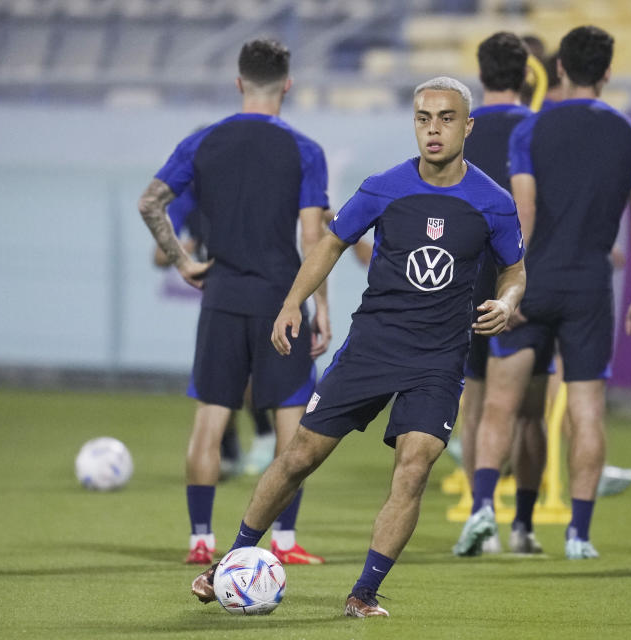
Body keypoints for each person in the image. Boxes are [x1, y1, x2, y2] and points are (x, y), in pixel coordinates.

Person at [190, 76, 526, 618]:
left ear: (468, 125)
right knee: (298, 456)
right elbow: (332, 241)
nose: (433, 129)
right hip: (373, 346)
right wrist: (290, 304)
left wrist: (508, 303)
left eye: (445, 118)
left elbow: (514, 269)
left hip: (438, 359)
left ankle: (363, 594)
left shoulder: (494, 201)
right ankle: (231, 559)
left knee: (415, 465)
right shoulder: (384, 187)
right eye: (422, 118)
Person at [454, 25, 631, 560]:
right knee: (583, 410)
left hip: (534, 283)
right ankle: (577, 534)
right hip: (590, 287)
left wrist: (509, 288)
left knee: (500, 405)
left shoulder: (532, 132)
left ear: (559, 69)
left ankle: (481, 514)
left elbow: (524, 215)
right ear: (609, 71)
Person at [138, 38, 330, 566]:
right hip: (282, 301)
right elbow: (314, 241)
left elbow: (150, 201)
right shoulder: (305, 150)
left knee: (211, 420)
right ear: (287, 84)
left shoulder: (204, 143)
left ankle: (201, 540)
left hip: (221, 296)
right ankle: (284, 544)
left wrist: (179, 260)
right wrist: (324, 312)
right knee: (293, 429)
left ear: (239, 82)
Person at [457, 32, 541, 555]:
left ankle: (478, 513)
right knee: (526, 412)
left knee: (475, 407)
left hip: (462, 286)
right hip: (522, 285)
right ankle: (522, 524)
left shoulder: (458, 132)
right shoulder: (539, 131)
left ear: (481, 74)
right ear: (527, 76)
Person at [152, 182, 279, 480]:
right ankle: (230, 450)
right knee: (217, 379)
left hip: (257, 293)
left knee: (246, 373)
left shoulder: (247, 194)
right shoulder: (186, 202)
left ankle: (264, 435)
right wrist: (181, 251)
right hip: (218, 298)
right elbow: (159, 257)